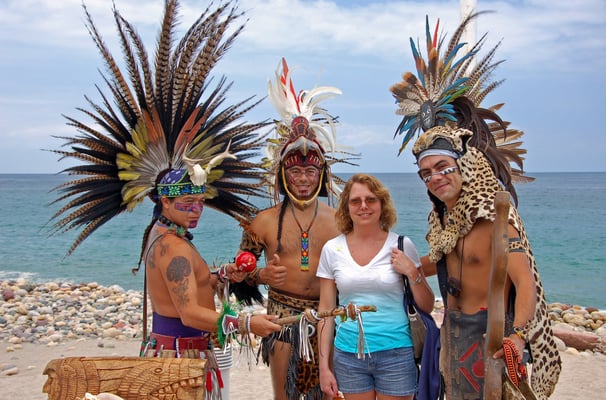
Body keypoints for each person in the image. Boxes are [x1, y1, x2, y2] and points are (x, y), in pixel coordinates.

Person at [46, 1, 282, 398]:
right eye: (185, 202)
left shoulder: (166, 237)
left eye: (199, 201)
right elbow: (189, 312)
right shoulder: (172, 249)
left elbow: (186, 290)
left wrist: (223, 276)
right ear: (164, 201)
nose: (195, 208)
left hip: (175, 356)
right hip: (179, 364)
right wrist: (246, 323)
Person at [389, 13, 561, 400]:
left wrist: (517, 335)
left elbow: (524, 281)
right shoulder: (444, 221)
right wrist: (412, 269)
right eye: (426, 173)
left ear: (463, 166)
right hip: (452, 329)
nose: (435, 178)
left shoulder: (494, 218)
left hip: (490, 333)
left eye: (442, 168)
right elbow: (448, 260)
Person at [229, 58, 354, 400]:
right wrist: (260, 277)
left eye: (310, 172)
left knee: (327, 394)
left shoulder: (341, 218)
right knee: (283, 395)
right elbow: (240, 271)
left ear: (322, 175)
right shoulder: (262, 221)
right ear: (283, 175)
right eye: (295, 172)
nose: (303, 179)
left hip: (328, 316)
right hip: (280, 319)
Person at [315, 173, 435, 400]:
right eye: (355, 201)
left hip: (396, 353)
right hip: (348, 355)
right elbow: (326, 312)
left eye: (370, 200)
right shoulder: (332, 249)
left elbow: (427, 305)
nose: (363, 206)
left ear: (382, 204)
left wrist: (411, 272)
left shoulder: (401, 245)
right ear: (346, 207)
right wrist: (324, 367)